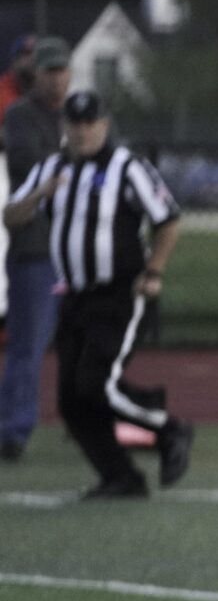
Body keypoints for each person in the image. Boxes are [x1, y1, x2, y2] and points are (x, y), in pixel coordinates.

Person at [0, 91, 192, 499]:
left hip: (120, 292)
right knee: (71, 402)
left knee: (96, 384)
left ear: (104, 125)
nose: (82, 130)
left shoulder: (127, 167)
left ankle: (169, 430)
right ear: (64, 128)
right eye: (75, 123)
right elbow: (10, 216)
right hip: (73, 296)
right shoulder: (51, 168)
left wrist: (154, 271)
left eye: (90, 123)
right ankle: (121, 476)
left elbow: (168, 220)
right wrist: (40, 195)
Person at [0, 36, 72, 460]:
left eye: (63, 71)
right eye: (49, 71)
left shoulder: (81, 113)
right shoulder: (20, 115)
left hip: (79, 248)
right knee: (28, 345)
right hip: (36, 247)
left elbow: (109, 158)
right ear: (36, 74)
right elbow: (33, 167)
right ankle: (13, 429)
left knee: (91, 342)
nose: (57, 80)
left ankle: (92, 424)